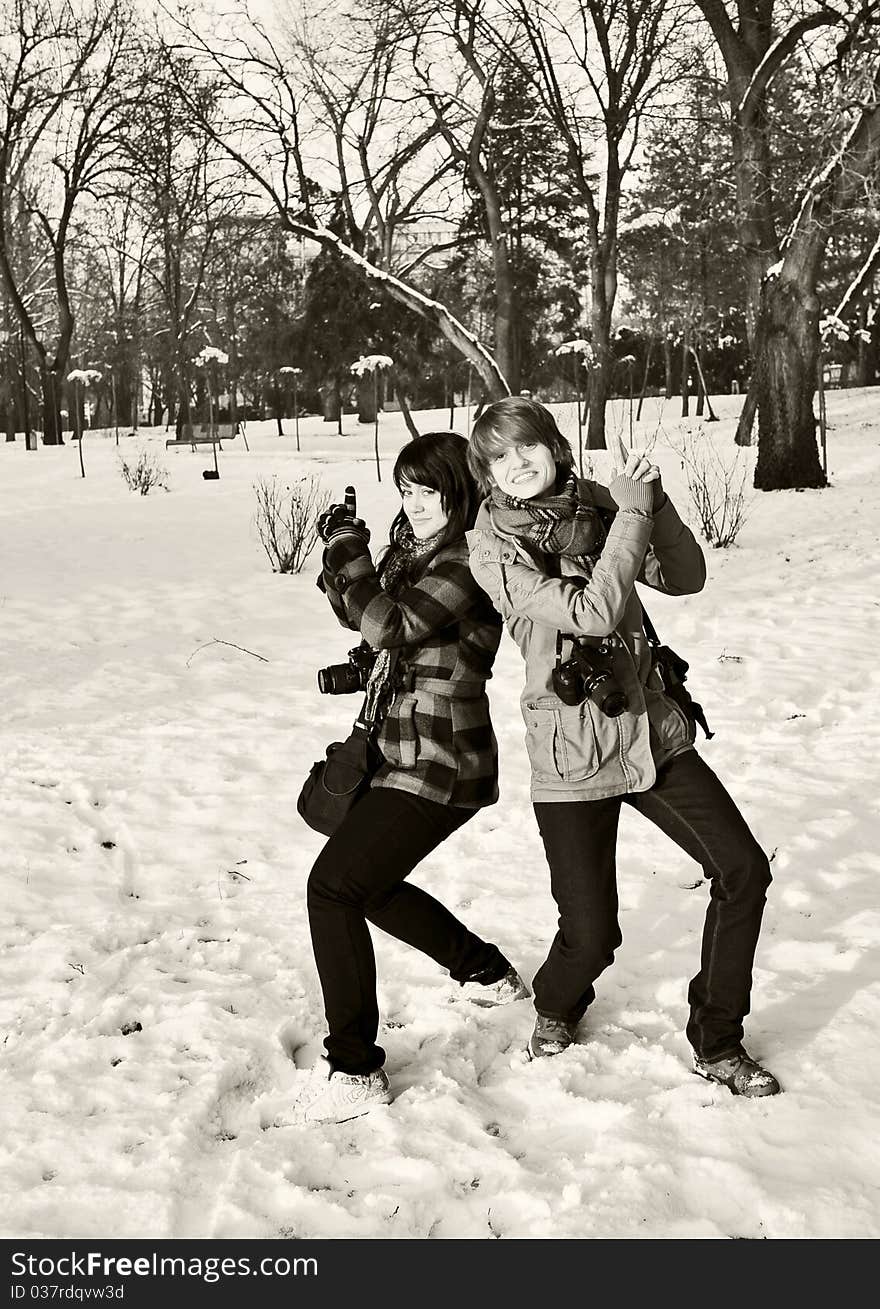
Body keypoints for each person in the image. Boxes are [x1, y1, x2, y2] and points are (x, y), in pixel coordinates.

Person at [466, 396, 779, 1098]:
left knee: (744, 871)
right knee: (591, 934)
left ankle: (718, 1040)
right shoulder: (491, 546)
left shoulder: (599, 507)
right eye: (498, 455)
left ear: (553, 445)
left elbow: (684, 576)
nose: (516, 463)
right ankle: (555, 1002)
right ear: (486, 472)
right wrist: (631, 517)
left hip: (650, 733)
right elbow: (591, 610)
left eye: (526, 446)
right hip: (571, 754)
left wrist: (652, 503)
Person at [288, 432, 529, 1127]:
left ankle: (354, 1067)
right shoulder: (416, 551)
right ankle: (485, 971)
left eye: (427, 490)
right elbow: (363, 620)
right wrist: (343, 553)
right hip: (401, 754)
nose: (414, 503)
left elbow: (391, 624)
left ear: (458, 492)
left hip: (443, 760)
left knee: (334, 886)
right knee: (368, 883)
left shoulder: (469, 558)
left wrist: (349, 559)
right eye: (405, 490)